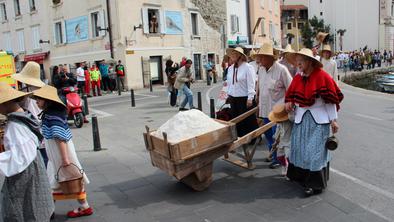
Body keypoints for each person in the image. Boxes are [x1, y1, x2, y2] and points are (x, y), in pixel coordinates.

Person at [285, 48, 344, 197]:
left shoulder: (322, 76)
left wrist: (333, 120)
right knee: (301, 149)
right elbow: (291, 94)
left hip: (319, 120)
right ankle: (302, 177)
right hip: (301, 119)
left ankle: (314, 184)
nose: (298, 63)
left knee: (315, 152)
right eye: (297, 60)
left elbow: (330, 100)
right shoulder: (298, 77)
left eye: (301, 60)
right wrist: (290, 101)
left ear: (310, 62)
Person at [33, 85, 94, 218]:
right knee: (68, 178)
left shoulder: (51, 115)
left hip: (60, 154)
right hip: (59, 153)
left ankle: (49, 211)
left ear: (46, 100)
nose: (36, 101)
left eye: (38, 99)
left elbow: (60, 138)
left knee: (63, 178)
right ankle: (83, 206)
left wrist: (65, 158)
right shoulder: (52, 113)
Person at [0, 82, 54, 221]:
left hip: (25, 175)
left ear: (4, 103)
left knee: (24, 211)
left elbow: (20, 158)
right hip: (31, 170)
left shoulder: (15, 125)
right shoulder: (24, 118)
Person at [254, 43, 293, 169]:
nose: (260, 60)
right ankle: (273, 155)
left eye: (263, 57)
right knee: (269, 135)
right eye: (259, 57)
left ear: (271, 57)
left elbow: (291, 88)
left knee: (277, 135)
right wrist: (257, 98)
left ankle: (279, 159)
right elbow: (260, 85)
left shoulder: (281, 70)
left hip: (277, 110)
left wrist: (287, 104)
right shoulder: (260, 69)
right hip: (265, 108)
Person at [12, 61, 50, 167]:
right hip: (43, 128)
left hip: (36, 129)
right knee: (46, 158)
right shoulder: (43, 90)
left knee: (43, 160)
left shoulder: (26, 94)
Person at [226, 47, 258, 137]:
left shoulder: (248, 67)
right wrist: (229, 95)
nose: (232, 56)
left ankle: (252, 138)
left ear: (240, 56)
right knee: (236, 119)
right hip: (233, 98)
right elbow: (230, 84)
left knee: (247, 120)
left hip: (244, 98)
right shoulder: (231, 68)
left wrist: (250, 98)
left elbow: (251, 83)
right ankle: (239, 137)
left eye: (235, 54)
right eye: (232, 54)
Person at [269, 104, 293, 176]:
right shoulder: (279, 124)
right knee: (280, 156)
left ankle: (289, 171)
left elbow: (292, 117)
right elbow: (278, 132)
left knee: (288, 157)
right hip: (281, 142)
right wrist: (275, 140)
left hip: (289, 142)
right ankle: (284, 166)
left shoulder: (290, 121)